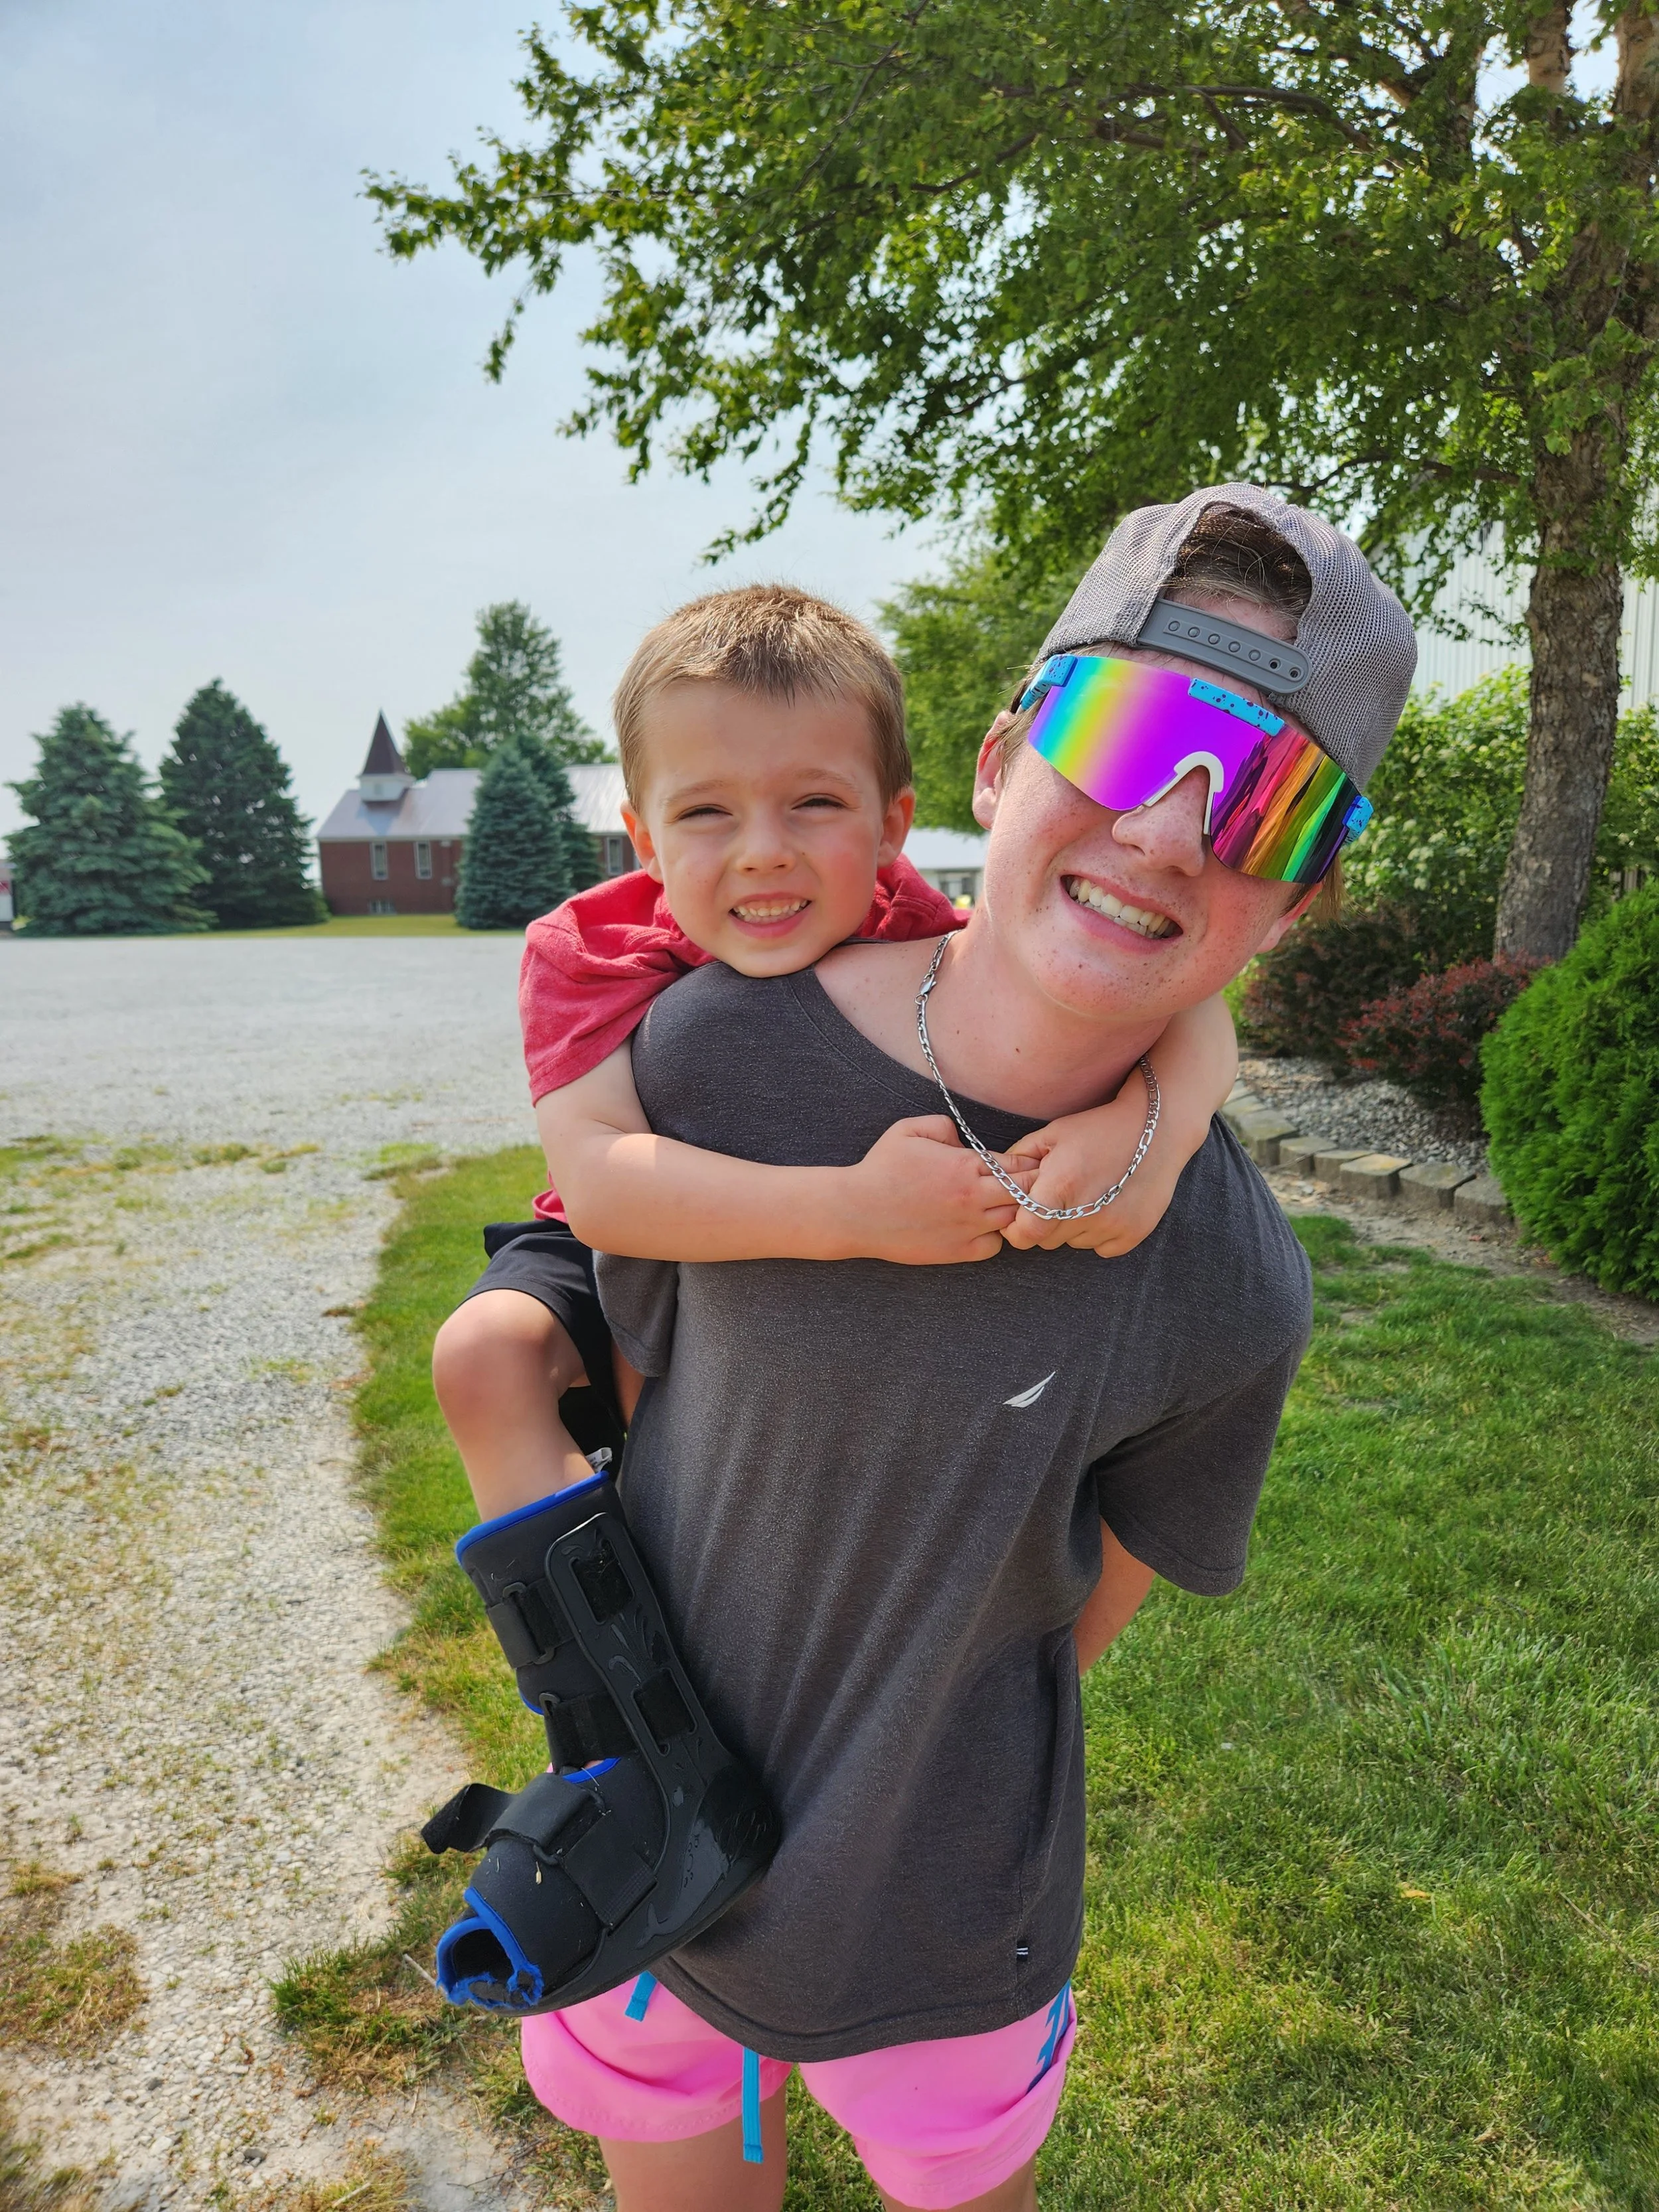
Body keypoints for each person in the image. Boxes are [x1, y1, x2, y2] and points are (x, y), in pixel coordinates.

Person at [502, 487, 1415, 2212]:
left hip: (941, 1928)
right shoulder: (700, 1064)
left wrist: (1162, 1114)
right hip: (643, 1863)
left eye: (1269, 797)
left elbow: (1075, 1628)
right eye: (1139, 726)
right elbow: (628, 1365)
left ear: (1298, 898)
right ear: (1002, 761)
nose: (1169, 824)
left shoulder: (1226, 1284)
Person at [431, 586, 1240, 1523]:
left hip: (791, 1316)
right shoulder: (592, 949)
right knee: (483, 1355)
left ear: (891, 825)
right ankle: (581, 1639)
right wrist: (853, 1210)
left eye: (815, 801)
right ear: (644, 840)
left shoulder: (913, 920)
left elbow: (1197, 1002)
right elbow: (602, 1186)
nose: (764, 852)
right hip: (614, 1232)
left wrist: (1155, 1134)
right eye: (705, 814)